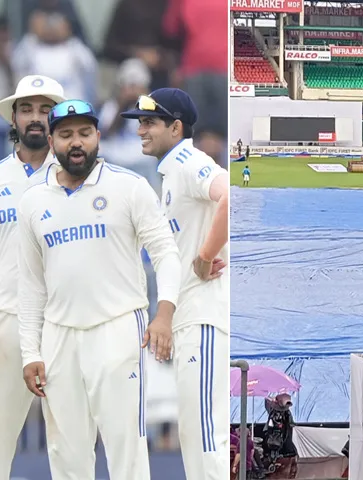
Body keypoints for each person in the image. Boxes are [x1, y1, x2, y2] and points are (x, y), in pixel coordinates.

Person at [17, 99, 182, 480]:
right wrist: (30, 352)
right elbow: (31, 285)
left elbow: (166, 254)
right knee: (66, 454)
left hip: (118, 329)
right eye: (67, 135)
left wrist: (165, 313)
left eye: (85, 133)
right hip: (59, 337)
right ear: (53, 141)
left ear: (98, 137)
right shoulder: (33, 202)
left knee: (126, 450)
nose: (77, 143)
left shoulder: (129, 187)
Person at [0, 75, 66, 480]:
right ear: (14, 118)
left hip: (63, 322)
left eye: (44, 110)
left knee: (68, 446)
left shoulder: (80, 176)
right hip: (2, 322)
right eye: (27, 109)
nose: (36, 118)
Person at [122, 88, 230, 480]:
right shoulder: (171, 172)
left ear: (176, 127)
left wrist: (204, 256)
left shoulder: (188, 161)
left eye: (149, 122)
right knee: (195, 435)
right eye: (140, 123)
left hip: (203, 316)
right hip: (191, 317)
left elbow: (229, 198)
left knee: (205, 438)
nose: (141, 131)